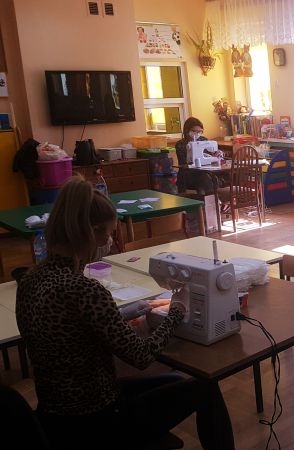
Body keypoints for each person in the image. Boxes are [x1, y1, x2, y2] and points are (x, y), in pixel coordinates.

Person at [15, 176, 235, 449]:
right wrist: (177, 311)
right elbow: (141, 356)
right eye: (108, 234)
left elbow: (69, 332)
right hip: (97, 420)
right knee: (205, 386)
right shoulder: (84, 290)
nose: (109, 241)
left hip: (53, 417)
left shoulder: (30, 279)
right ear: (91, 232)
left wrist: (121, 314)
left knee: (177, 381)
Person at [175, 117, 222, 194]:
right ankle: (211, 199)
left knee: (215, 177)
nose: (197, 134)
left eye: (200, 131)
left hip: (204, 172)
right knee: (205, 178)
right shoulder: (180, 144)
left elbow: (212, 153)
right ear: (187, 130)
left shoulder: (203, 140)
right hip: (187, 174)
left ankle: (213, 198)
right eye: (194, 131)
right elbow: (184, 163)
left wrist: (217, 153)